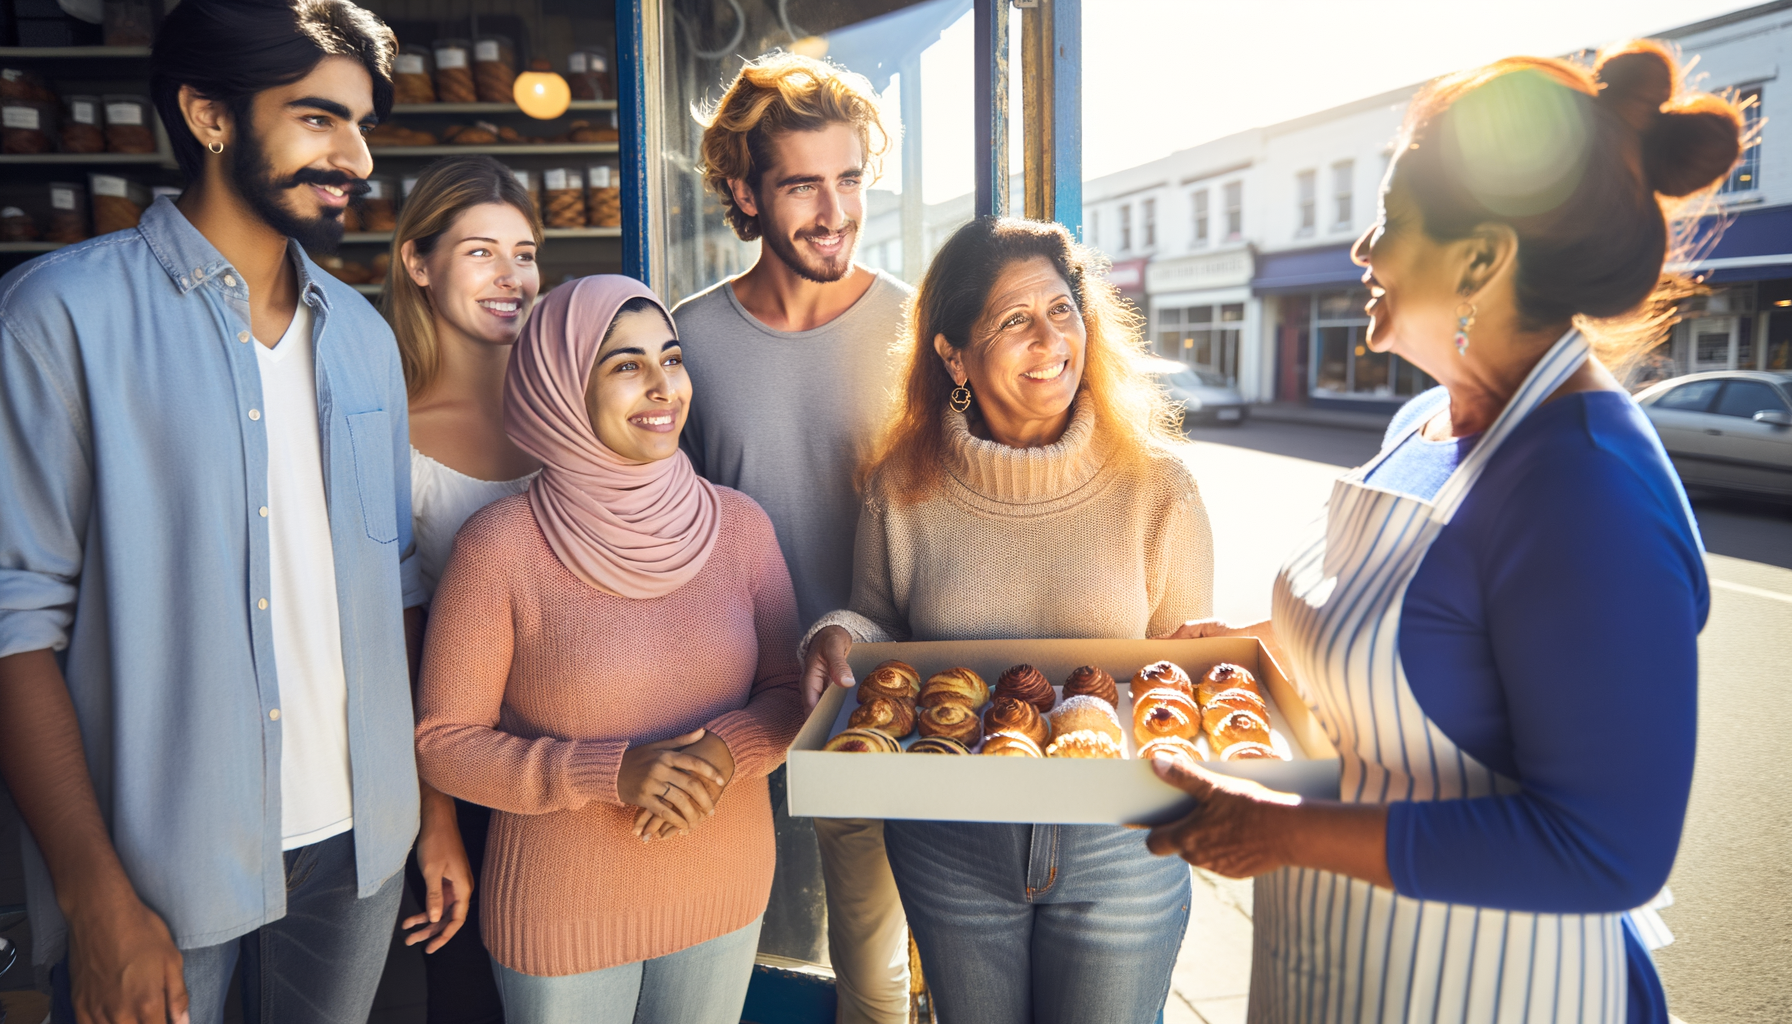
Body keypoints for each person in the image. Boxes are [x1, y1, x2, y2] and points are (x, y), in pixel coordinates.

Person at [1145, 41, 1739, 1024]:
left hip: (1500, 986)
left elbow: (1607, 848)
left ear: (1480, 257)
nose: (1360, 253)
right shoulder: (1421, 423)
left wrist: (1285, 832)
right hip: (1340, 960)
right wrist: (1257, 645)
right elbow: (1418, 651)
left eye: (1385, 223)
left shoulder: (1584, 485)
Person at [0, 1, 422, 1022]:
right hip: (158, 866)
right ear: (209, 115)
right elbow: (15, 625)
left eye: (362, 124)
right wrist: (94, 895)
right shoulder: (59, 316)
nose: (356, 156)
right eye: (320, 118)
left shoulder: (364, 336)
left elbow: (391, 584)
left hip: (360, 853)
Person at [801, 216, 1214, 1023]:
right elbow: (882, 629)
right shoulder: (903, 484)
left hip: (1122, 848)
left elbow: (1179, 677)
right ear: (953, 353)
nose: (1051, 339)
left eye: (1062, 311)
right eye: (1015, 321)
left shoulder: (1159, 487)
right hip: (952, 842)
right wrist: (836, 634)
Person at [413, 275, 807, 1024]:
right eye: (626, 365)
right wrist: (610, 772)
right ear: (560, 388)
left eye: (671, 357)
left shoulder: (741, 527)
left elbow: (791, 689)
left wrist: (725, 751)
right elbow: (442, 743)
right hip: (563, 916)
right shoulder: (499, 548)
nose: (663, 387)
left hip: (724, 889)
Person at [673, 51, 913, 1024]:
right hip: (728, 710)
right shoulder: (687, 339)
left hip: (874, 706)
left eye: (849, 178)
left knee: (875, 975)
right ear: (744, 190)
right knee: (730, 971)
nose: (834, 210)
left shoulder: (916, 329)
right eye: (802, 184)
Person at [384, 154, 546, 1023]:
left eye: (524, 254)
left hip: (582, 765)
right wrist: (434, 821)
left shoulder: (568, 407)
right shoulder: (389, 430)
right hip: (464, 779)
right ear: (418, 261)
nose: (512, 277)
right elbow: (399, 649)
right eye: (481, 252)